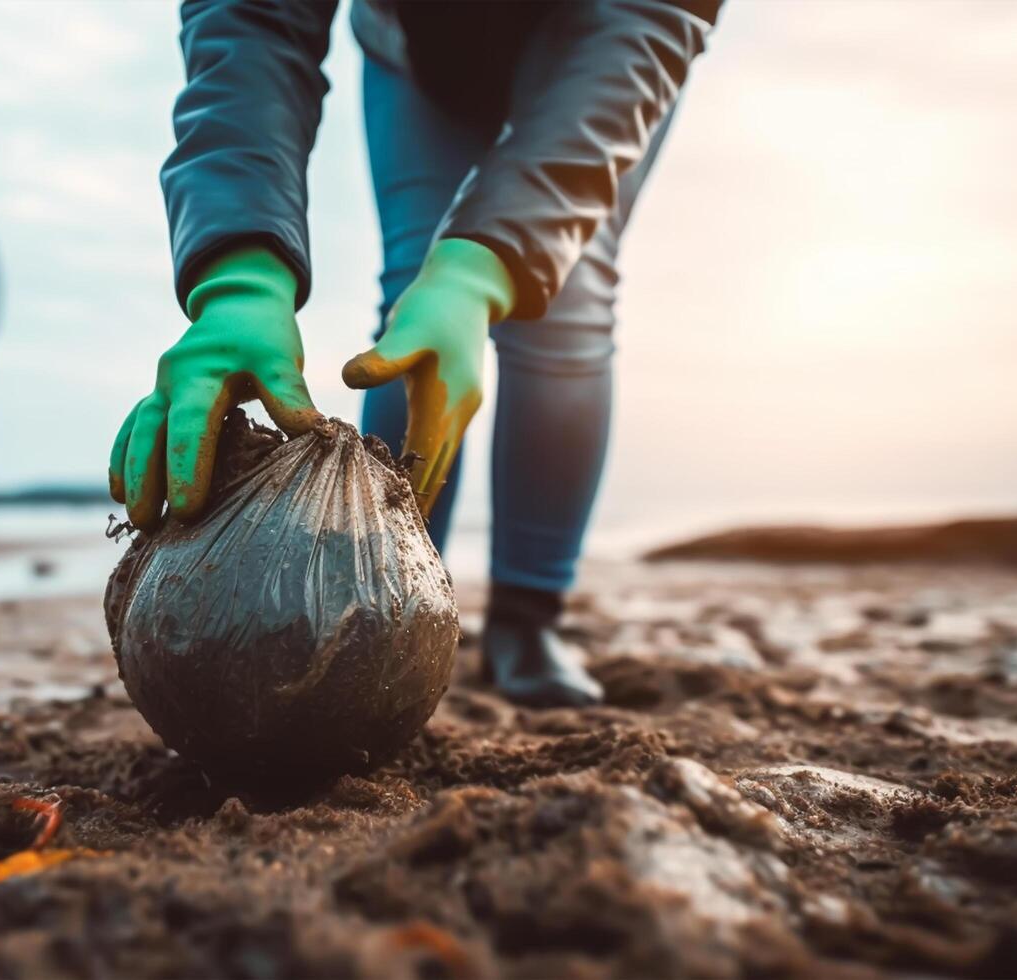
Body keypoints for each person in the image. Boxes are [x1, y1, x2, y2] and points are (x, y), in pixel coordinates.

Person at [112, 0, 721, 706]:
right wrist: (238, 273)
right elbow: (249, 20)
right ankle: (383, 593)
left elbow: (650, 17)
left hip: (603, 46)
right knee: (413, 293)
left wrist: (480, 270)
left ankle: (528, 618)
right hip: (415, 50)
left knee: (562, 300)